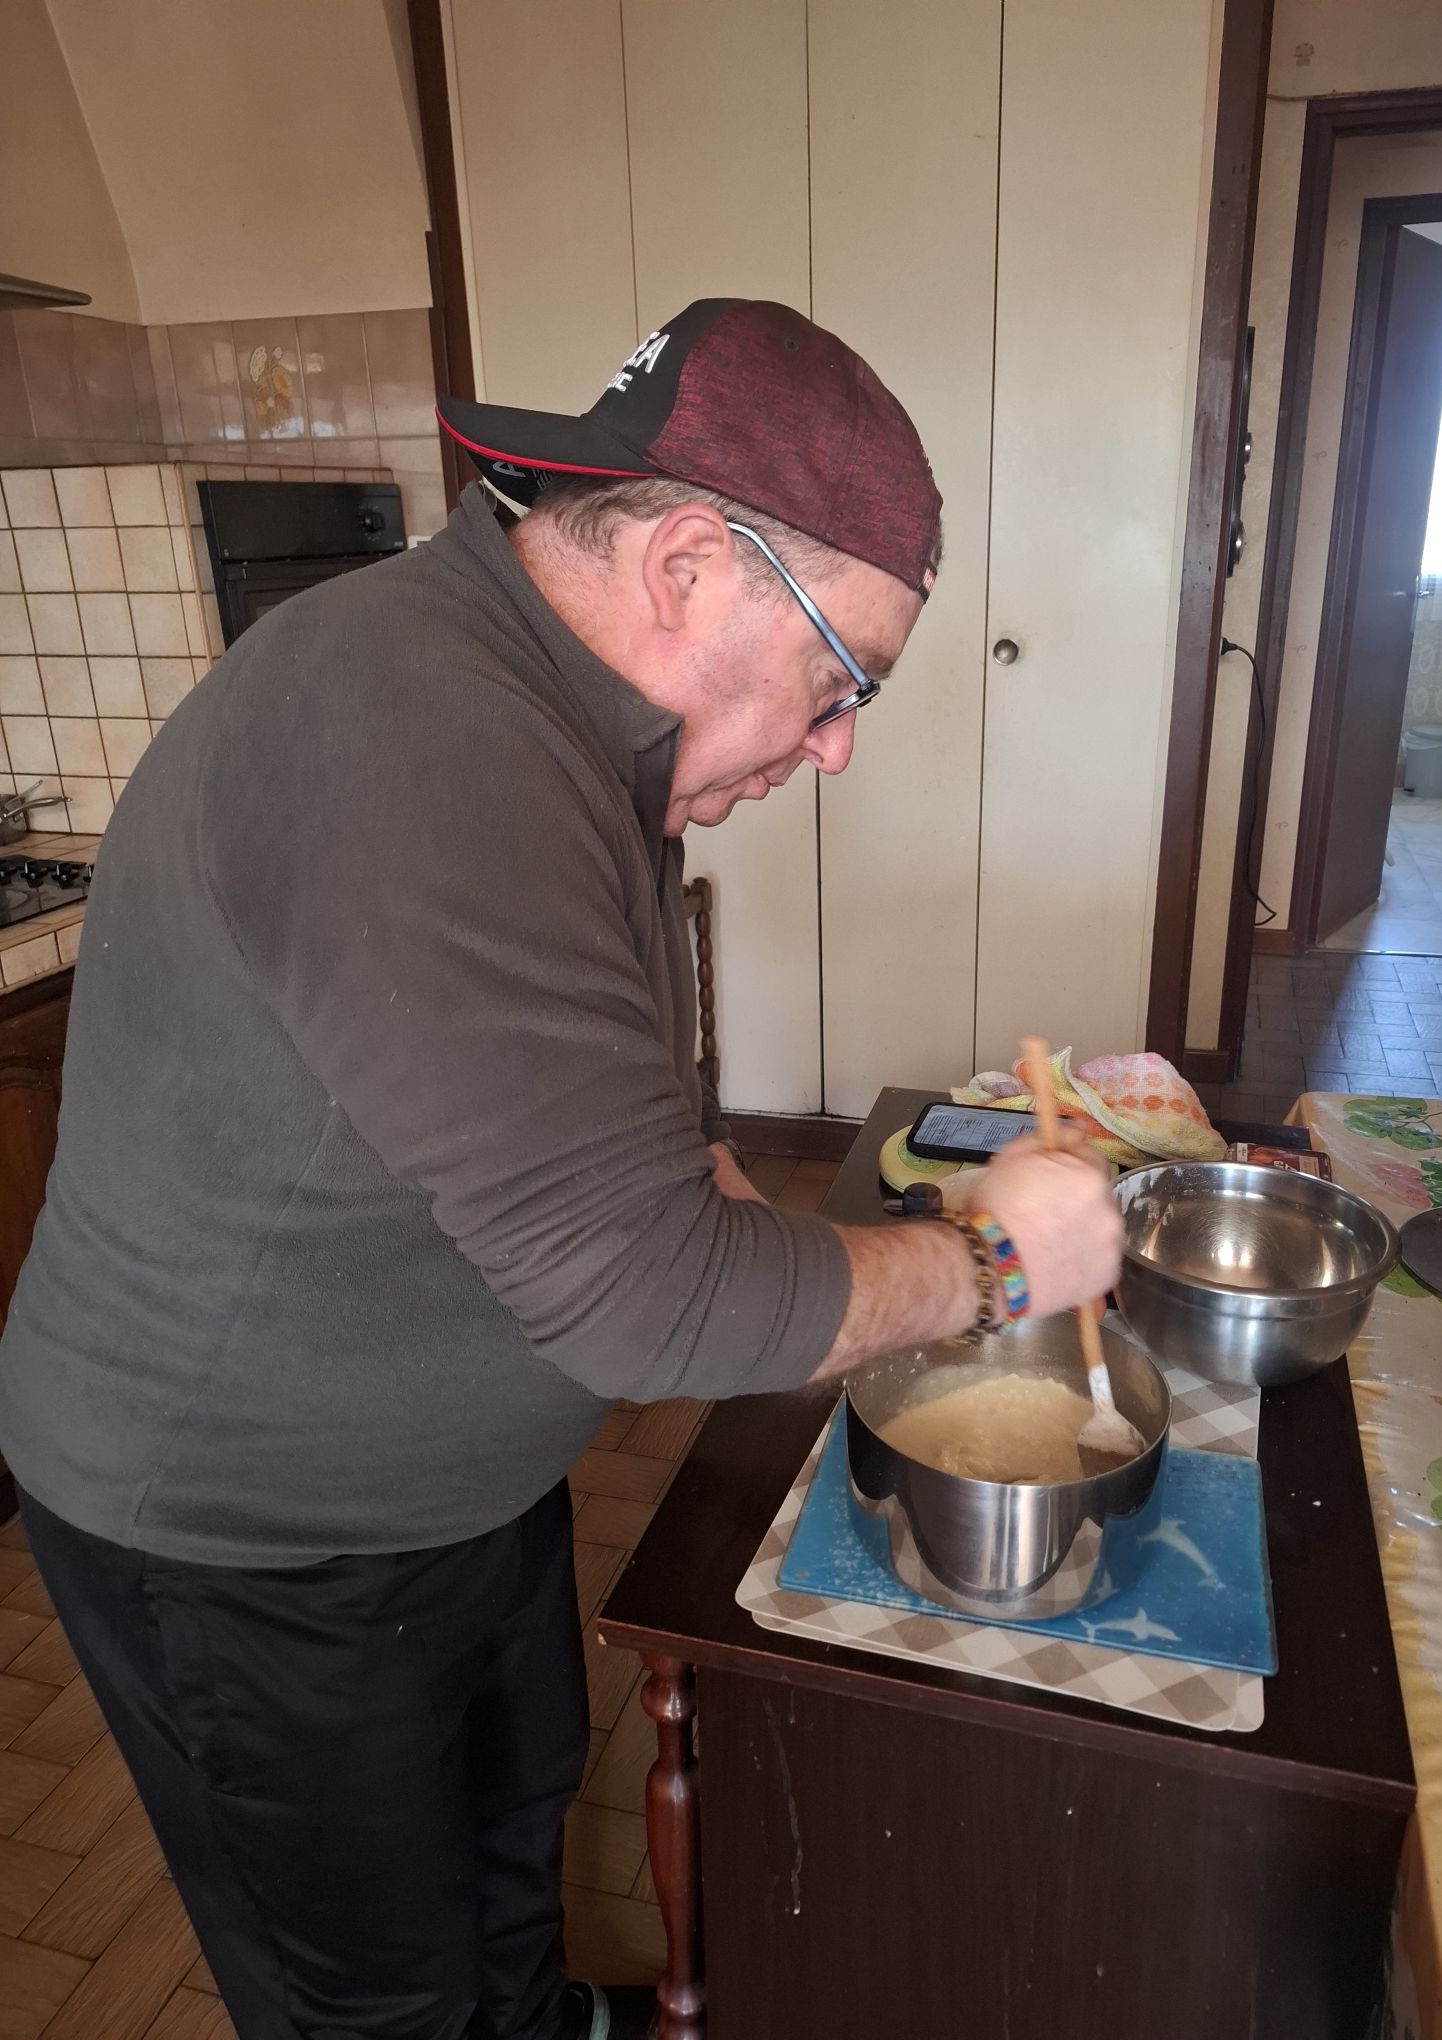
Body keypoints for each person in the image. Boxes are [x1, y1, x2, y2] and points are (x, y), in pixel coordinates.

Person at [0, 298, 1122, 2040]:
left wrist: (678, 1172)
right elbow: (650, 1309)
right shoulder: (424, 737)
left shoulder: (553, 716)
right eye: (842, 679)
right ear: (687, 566)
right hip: (254, 1539)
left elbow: (530, 1081)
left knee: (508, 1850)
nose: (837, 743)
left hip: (446, 1481)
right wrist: (993, 1257)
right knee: (377, 1995)